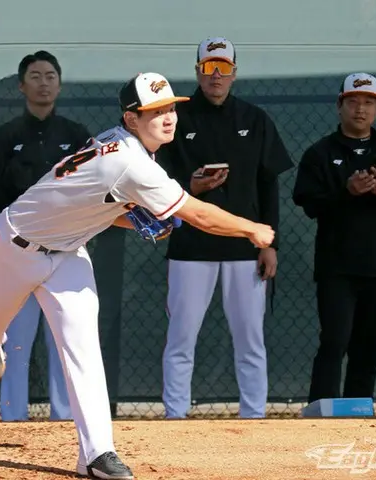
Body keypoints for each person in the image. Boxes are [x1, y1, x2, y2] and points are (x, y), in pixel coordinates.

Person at [0, 72, 275, 479]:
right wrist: (251, 228)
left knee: (83, 345)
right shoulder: (129, 161)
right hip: (11, 246)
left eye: (169, 108)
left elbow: (103, 206)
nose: (167, 118)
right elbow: (197, 214)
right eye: (153, 112)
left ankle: (97, 455)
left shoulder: (127, 149)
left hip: (68, 253)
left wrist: (133, 217)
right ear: (131, 119)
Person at [157, 37, 293, 419]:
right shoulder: (175, 119)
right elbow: (156, 181)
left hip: (243, 249)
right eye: (209, 68)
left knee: (250, 341)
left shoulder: (254, 119)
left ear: (235, 71)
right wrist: (191, 187)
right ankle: (175, 416)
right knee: (181, 338)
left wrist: (270, 243)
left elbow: (270, 184)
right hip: (189, 247)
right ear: (197, 70)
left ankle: (254, 416)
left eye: (224, 68)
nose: (216, 76)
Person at [292, 73, 376, 404]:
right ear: (339, 106)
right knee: (335, 341)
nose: (360, 110)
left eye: (368, 103)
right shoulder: (320, 153)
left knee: (368, 347)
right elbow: (310, 203)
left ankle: (358, 416)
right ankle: (322, 413)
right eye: (353, 102)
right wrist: (346, 192)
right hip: (337, 266)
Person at [0, 50, 90, 422]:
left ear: (59, 84)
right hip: (18, 250)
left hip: (66, 248)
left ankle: (67, 416)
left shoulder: (76, 136)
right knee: (15, 338)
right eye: (35, 76)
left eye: (50, 76)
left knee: (66, 337)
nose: (43, 83)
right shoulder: (5, 136)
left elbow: (90, 189)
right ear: (21, 85)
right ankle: (13, 415)